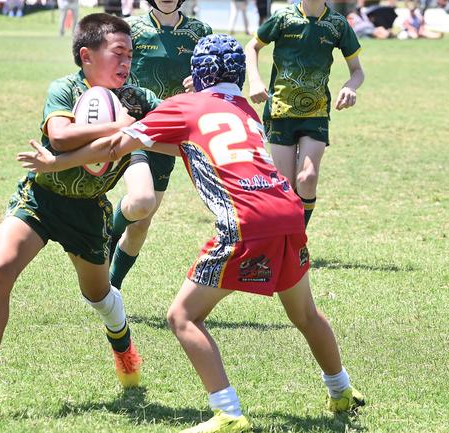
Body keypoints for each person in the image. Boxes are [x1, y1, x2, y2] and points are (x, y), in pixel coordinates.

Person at [19, 34, 366, 433]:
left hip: (245, 220)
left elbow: (115, 145)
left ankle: (228, 413)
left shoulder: (185, 107)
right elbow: (187, 145)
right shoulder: (245, 110)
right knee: (304, 313)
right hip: (287, 211)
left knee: (183, 317)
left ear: (198, 73)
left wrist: (55, 163)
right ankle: (341, 389)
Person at [0, 13, 161, 415]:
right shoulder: (66, 88)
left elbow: (176, 118)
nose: (126, 63)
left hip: (87, 214)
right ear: (86, 56)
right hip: (42, 201)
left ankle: (123, 346)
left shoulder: (138, 99)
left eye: (131, 55)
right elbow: (59, 136)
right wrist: (119, 125)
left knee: (99, 296)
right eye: (118, 53)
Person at [108, 0, 211, 291]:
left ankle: (110, 288)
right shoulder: (133, 29)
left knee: (141, 224)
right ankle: (106, 240)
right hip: (137, 128)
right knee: (141, 201)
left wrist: (201, 83)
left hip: (171, 134)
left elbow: (217, 84)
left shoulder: (199, 32)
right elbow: (113, 72)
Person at [244, 0, 364, 229]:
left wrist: (350, 87)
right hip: (280, 110)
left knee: (307, 178)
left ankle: (298, 239)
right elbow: (252, 47)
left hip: (315, 111)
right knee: (285, 186)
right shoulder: (284, 17)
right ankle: (283, 241)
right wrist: (255, 81)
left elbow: (357, 71)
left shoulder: (337, 24)